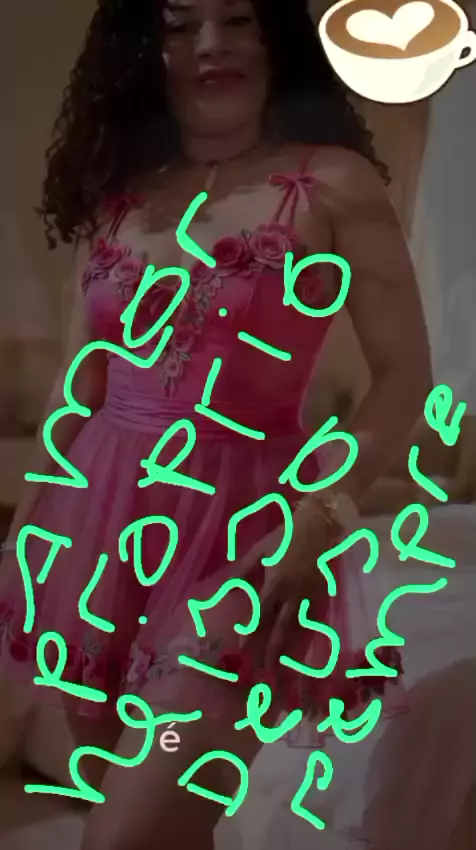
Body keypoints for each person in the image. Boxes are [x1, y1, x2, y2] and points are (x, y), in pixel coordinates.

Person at [0, 1, 432, 848]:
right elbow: (81, 383)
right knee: (146, 818)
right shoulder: (122, 193)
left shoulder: (331, 182)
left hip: (246, 536)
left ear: (274, 37)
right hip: (94, 533)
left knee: (126, 832)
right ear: (143, 47)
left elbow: (405, 378)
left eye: (237, 18)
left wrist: (321, 515)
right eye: (179, 23)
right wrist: (30, 528)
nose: (211, 44)